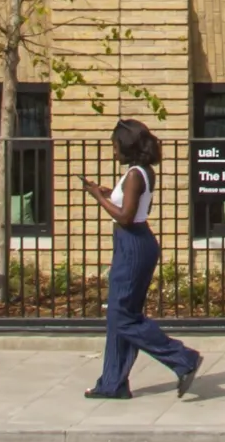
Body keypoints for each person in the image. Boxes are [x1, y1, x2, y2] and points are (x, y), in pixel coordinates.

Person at [81, 120, 204, 400]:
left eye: (115, 146)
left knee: (121, 316)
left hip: (133, 244)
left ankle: (183, 358)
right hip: (133, 243)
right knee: (120, 315)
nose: (113, 152)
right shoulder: (139, 172)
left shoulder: (136, 175)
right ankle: (113, 383)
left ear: (127, 146)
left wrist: (98, 196)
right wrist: (104, 193)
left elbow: (125, 216)